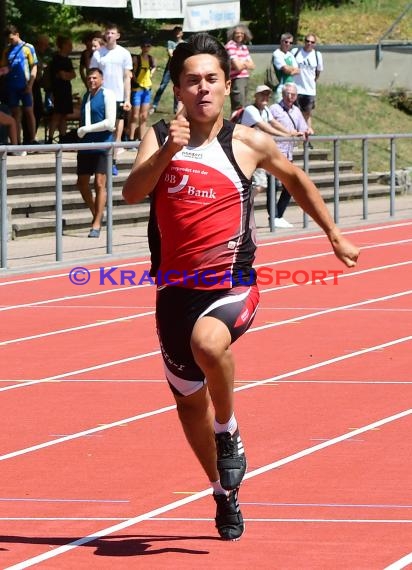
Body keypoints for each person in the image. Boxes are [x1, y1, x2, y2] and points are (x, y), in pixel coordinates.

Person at [122, 32, 359, 541]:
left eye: (211, 79)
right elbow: (132, 192)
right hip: (173, 294)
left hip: (232, 286)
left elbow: (294, 178)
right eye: (192, 81)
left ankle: (229, 432)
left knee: (209, 343)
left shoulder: (247, 141)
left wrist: (333, 233)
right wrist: (167, 151)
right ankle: (221, 491)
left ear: (227, 86)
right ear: (179, 90)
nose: (202, 89)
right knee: (189, 405)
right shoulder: (161, 135)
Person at [76, 67, 116, 238]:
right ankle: (96, 213)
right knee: (82, 183)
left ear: (101, 79)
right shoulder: (86, 97)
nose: (91, 81)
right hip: (85, 145)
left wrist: (87, 128)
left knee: (100, 183)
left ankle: (97, 223)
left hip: (102, 145)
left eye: (95, 78)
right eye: (89, 78)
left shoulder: (108, 94)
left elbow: (110, 122)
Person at [240, 84, 301, 195]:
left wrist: (289, 133)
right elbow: (265, 127)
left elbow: (274, 123)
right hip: (247, 152)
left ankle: (244, 205)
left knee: (259, 183)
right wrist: (285, 136)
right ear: (255, 96)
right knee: (261, 184)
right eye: (262, 95)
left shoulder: (266, 110)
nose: (265, 97)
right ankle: (242, 205)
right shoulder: (250, 110)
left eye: (267, 95)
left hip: (258, 151)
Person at [90, 23, 133, 176]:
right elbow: (92, 76)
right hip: (102, 97)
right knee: (101, 129)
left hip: (118, 97)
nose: (109, 36)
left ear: (117, 36)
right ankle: (98, 161)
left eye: (112, 33)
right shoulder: (98, 54)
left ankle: (113, 161)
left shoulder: (124, 53)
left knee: (116, 132)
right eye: (107, 33)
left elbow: (127, 77)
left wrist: (127, 99)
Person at [269, 82, 313, 228]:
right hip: (275, 152)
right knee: (272, 185)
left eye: (293, 94)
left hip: (288, 153)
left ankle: (279, 215)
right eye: (287, 94)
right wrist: (288, 133)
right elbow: (268, 125)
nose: (290, 97)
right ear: (282, 94)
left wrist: (307, 131)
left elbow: (303, 127)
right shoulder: (274, 109)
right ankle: (273, 216)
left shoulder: (296, 111)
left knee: (291, 184)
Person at [0, 25, 38, 145]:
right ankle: (17, 142)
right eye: (8, 40)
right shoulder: (7, 50)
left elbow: (34, 66)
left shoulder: (28, 48)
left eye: (11, 38)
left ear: (17, 34)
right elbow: (3, 67)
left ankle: (32, 139)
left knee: (28, 111)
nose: (10, 41)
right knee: (15, 112)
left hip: (25, 85)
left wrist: (30, 85)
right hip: (11, 86)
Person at [291, 33, 324, 133]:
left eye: (312, 42)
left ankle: (307, 136)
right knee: (294, 113)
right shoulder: (296, 52)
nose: (309, 43)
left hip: (309, 90)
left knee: (307, 114)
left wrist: (311, 81)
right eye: (307, 41)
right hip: (295, 88)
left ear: (315, 44)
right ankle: (295, 135)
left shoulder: (317, 55)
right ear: (304, 41)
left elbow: (317, 73)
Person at [47, 35, 76, 143]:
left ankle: (63, 137)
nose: (71, 47)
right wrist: (66, 75)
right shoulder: (56, 59)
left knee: (64, 115)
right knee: (57, 114)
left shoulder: (67, 60)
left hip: (66, 89)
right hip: (58, 90)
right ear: (63, 45)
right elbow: (62, 75)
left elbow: (73, 75)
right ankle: (50, 138)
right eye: (69, 45)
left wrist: (67, 75)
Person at [151, 26, 184, 115]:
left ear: (182, 33)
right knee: (162, 86)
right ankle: (154, 106)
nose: (178, 33)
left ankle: (176, 109)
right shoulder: (170, 43)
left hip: (179, 69)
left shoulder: (185, 44)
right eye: (176, 32)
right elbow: (171, 54)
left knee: (177, 89)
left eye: (179, 32)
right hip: (169, 68)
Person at [128, 39, 156, 142]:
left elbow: (154, 67)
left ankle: (141, 138)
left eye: (148, 46)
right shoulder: (136, 59)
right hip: (137, 89)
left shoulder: (151, 59)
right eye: (144, 46)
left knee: (144, 116)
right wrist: (135, 80)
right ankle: (130, 138)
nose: (146, 48)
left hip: (147, 89)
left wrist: (151, 74)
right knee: (135, 115)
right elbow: (132, 71)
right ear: (141, 47)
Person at [225, 24, 255, 113]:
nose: (240, 35)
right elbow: (237, 67)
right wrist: (245, 63)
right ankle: (234, 126)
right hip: (236, 79)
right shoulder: (230, 46)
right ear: (232, 34)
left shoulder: (244, 47)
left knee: (245, 107)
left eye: (242, 33)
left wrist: (242, 64)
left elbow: (252, 66)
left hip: (245, 78)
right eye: (237, 33)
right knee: (238, 107)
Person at [271, 32, 300, 103]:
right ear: (281, 42)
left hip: (291, 87)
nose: (288, 44)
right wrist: (292, 70)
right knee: (279, 111)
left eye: (290, 43)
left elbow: (298, 70)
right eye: (286, 42)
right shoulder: (277, 54)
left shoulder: (290, 55)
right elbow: (285, 69)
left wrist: (291, 71)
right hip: (280, 89)